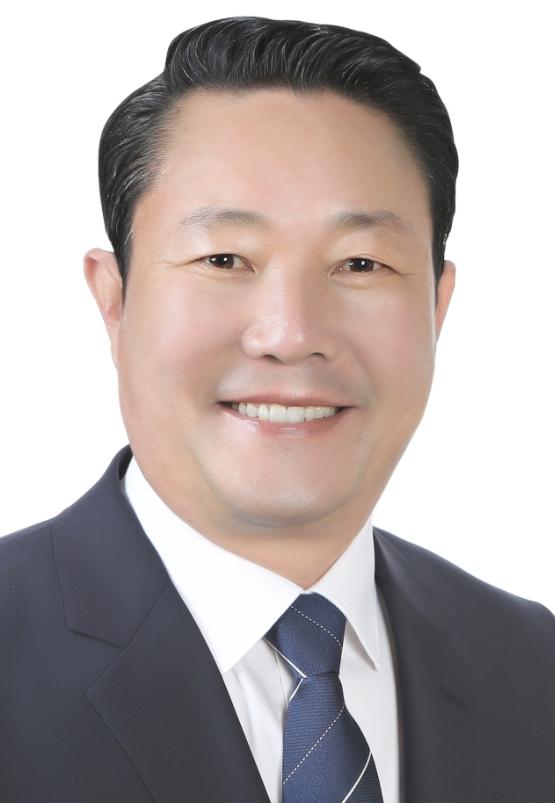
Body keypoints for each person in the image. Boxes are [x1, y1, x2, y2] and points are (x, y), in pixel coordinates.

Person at [0, 14, 553, 803]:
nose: (291, 335)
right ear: (114, 299)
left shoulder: (531, 667)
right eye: (224, 258)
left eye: (359, 263)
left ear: (436, 307)